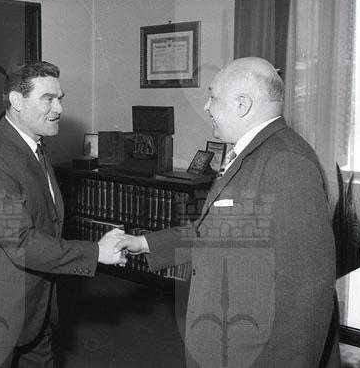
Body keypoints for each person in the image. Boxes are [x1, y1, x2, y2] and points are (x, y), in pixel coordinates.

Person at [116, 57, 340, 367]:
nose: (206, 106)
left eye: (213, 97)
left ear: (242, 104)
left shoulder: (286, 162)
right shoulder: (255, 152)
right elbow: (220, 230)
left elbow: (306, 288)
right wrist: (144, 243)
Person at [0, 61, 126, 368]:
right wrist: (97, 252)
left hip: (34, 309)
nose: (59, 108)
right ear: (17, 100)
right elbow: (22, 243)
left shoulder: (32, 145)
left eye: (60, 99)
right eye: (48, 99)